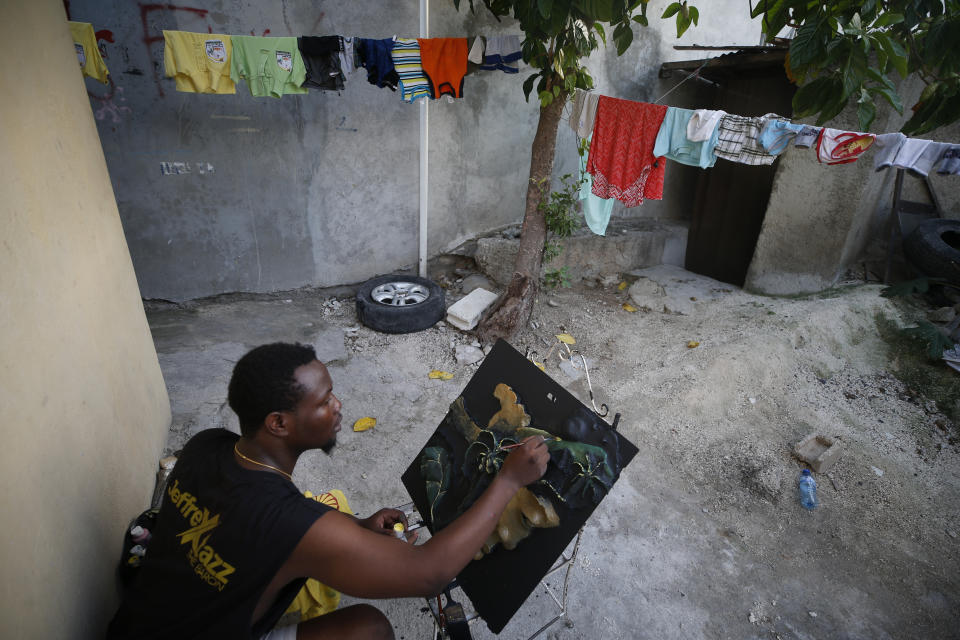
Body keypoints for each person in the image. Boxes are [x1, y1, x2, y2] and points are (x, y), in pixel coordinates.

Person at [106, 342, 549, 640]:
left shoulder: (206, 446)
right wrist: (508, 480)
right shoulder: (290, 523)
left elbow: (243, 530)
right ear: (278, 423)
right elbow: (430, 573)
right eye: (323, 402)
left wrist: (354, 528)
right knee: (369, 629)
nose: (338, 406)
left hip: (138, 623)